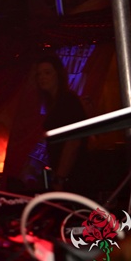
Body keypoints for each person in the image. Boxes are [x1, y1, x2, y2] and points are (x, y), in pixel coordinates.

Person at [35, 53, 88, 191]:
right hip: (66, 174)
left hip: (73, 176)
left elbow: (73, 141)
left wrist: (60, 177)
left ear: (58, 74)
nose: (42, 77)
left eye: (47, 73)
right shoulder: (54, 103)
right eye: (39, 74)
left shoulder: (67, 101)